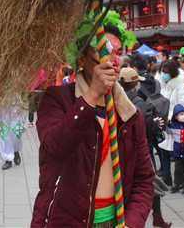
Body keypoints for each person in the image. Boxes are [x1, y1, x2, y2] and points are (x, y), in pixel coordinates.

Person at [31, 27, 154, 227]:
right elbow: (54, 147)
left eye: (117, 52)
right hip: (66, 220)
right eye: (103, 51)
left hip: (116, 221)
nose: (112, 59)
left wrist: (131, 223)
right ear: (82, 60)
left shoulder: (129, 113)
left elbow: (144, 179)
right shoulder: (57, 99)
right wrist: (91, 96)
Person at [119, 66, 170, 228]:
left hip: (122, 151)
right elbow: (145, 127)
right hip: (141, 151)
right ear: (135, 84)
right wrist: (156, 124)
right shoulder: (139, 102)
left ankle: (157, 217)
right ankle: (156, 217)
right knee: (148, 184)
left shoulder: (116, 99)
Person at [156, 59, 184, 186]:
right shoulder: (163, 84)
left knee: (178, 153)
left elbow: (183, 105)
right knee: (164, 151)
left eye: (166, 72)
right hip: (163, 122)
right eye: (163, 71)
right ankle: (166, 177)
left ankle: (181, 180)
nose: (164, 74)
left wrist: (172, 118)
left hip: (175, 122)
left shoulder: (180, 86)